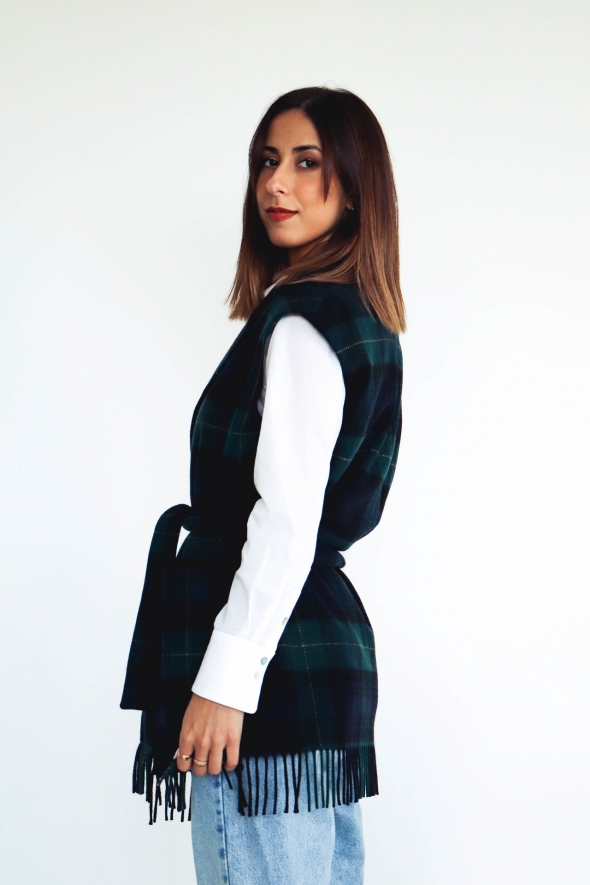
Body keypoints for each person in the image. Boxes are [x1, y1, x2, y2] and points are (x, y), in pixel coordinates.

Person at [120, 86, 405, 885]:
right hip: (317, 657)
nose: (276, 183)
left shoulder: (302, 324)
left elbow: (284, 521)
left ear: (357, 188)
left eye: (307, 162)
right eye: (267, 161)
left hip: (270, 669)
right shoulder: (359, 319)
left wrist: (225, 681)